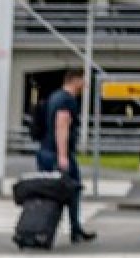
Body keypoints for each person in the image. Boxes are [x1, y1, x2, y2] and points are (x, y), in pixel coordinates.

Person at [36, 68, 97, 244]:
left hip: (45, 151)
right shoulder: (66, 100)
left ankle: (47, 229)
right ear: (74, 80)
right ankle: (74, 230)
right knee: (73, 189)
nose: (85, 85)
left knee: (50, 192)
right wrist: (63, 156)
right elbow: (61, 126)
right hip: (57, 153)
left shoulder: (53, 97)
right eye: (83, 80)